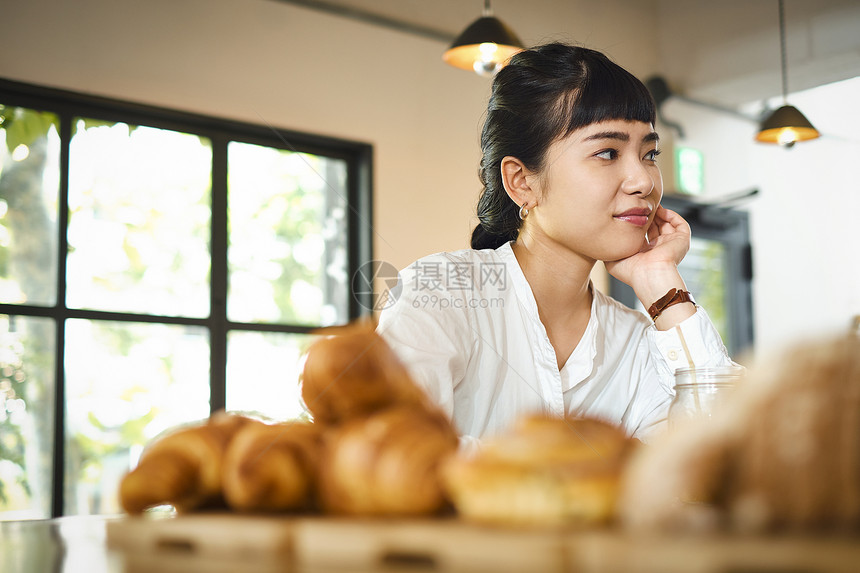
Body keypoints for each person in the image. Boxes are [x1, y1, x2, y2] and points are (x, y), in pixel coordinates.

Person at [377, 43, 733, 446]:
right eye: (607, 152)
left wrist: (662, 286)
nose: (644, 181)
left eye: (650, 153)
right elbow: (401, 456)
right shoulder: (439, 292)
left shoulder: (639, 341)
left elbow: (714, 466)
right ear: (522, 182)